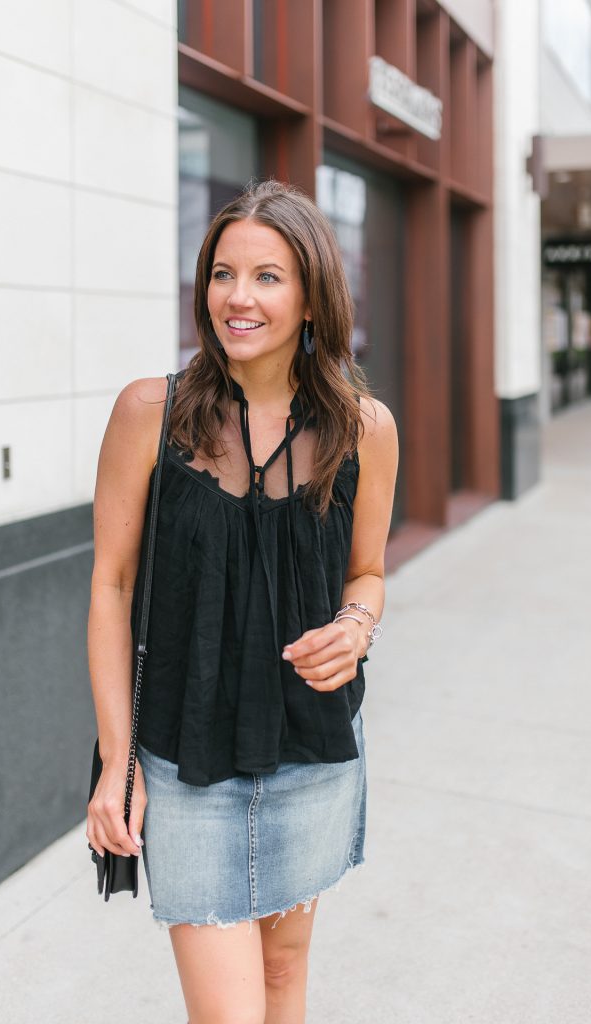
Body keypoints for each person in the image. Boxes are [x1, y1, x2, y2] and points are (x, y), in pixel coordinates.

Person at [86, 179, 399, 1024]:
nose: (238, 296)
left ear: (310, 296)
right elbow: (111, 587)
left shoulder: (364, 427)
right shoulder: (147, 414)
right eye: (223, 273)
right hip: (186, 757)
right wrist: (117, 762)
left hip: (312, 743)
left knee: (280, 982)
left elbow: (366, 571)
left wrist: (357, 624)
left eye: (267, 276)